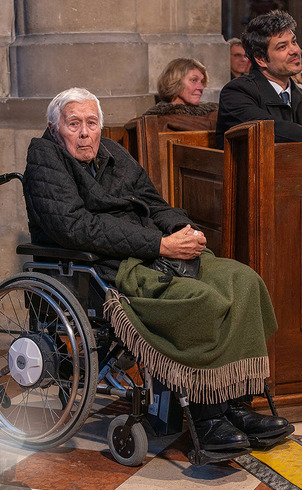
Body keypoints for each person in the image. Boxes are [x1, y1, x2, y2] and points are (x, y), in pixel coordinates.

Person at [23, 87, 292, 452]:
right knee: (199, 299)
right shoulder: (44, 158)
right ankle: (207, 415)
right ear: (56, 129)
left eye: (92, 122)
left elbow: (154, 203)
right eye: (74, 124)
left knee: (243, 280)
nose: (85, 132)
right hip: (108, 266)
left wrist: (184, 229)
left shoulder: (114, 153)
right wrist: (159, 245)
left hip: (156, 253)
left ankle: (237, 404)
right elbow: (75, 227)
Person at [216, 10, 302, 149]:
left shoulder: (298, 93)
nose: (295, 50)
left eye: (294, 42)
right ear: (261, 59)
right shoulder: (236, 93)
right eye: (282, 47)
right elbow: (270, 129)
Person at [142, 58, 218, 131]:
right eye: (194, 80)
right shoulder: (156, 121)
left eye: (201, 82)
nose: (200, 87)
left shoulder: (213, 113)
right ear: (175, 82)